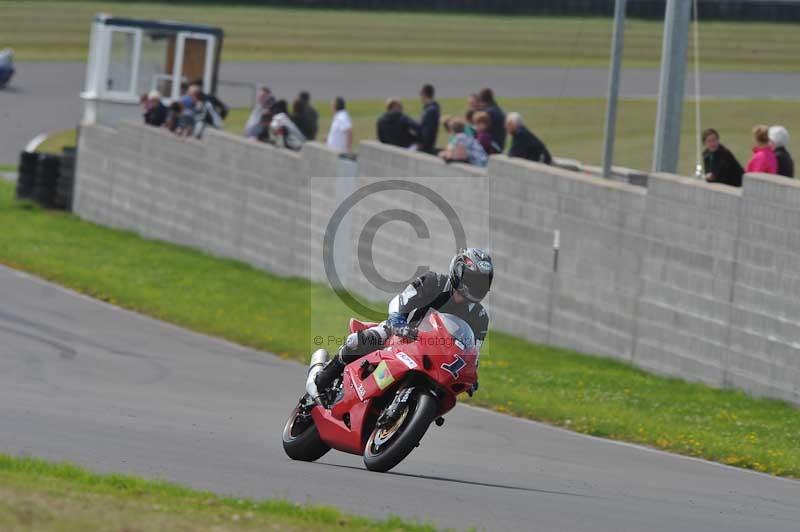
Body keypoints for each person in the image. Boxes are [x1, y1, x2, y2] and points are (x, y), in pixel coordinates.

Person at [312, 248, 493, 397]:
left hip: (436, 357)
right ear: (458, 272)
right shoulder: (433, 282)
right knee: (363, 339)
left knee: (442, 394)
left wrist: (471, 377)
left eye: (482, 282)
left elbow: (472, 352)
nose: (477, 286)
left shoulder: (480, 317)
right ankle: (322, 380)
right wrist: (398, 323)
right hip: (403, 334)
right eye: (473, 280)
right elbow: (400, 301)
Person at [418, 84, 440, 154]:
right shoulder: (431, 108)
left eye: (420, 94)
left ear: (424, 94)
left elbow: (428, 130)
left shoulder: (430, 110)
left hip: (426, 147)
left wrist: (422, 145)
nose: (420, 97)